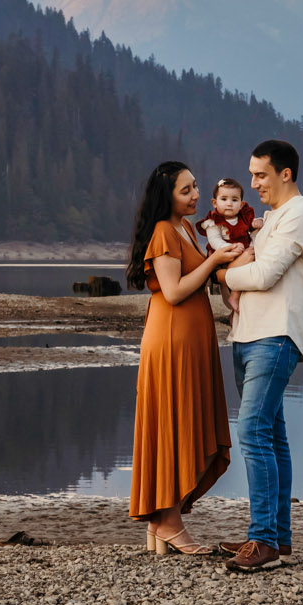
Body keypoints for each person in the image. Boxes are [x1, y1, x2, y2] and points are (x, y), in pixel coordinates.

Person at [216, 139, 303, 573]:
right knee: (272, 435)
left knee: (253, 431)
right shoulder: (273, 218)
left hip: (276, 336)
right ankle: (276, 538)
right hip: (249, 334)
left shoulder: (301, 214)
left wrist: (220, 272)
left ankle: (262, 539)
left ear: (285, 174)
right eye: (251, 174)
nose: (253, 182)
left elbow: (264, 273)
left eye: (261, 174)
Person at [126, 161, 245, 555]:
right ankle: (169, 523)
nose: (196, 195)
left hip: (190, 338)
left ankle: (160, 523)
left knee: (179, 422)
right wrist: (213, 262)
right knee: (174, 423)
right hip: (172, 339)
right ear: (168, 197)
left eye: (195, 187)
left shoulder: (186, 230)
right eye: (186, 190)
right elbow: (174, 292)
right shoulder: (163, 231)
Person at [200, 178, 260, 252]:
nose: (229, 204)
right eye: (224, 199)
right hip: (223, 258)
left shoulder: (244, 217)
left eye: (234, 200)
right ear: (215, 203)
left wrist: (258, 222)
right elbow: (215, 240)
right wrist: (231, 247)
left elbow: (253, 230)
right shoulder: (213, 222)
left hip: (245, 253)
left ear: (241, 205)